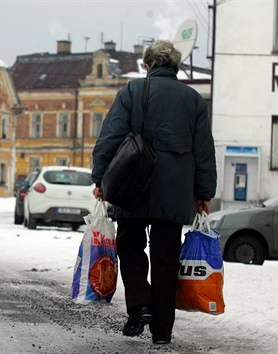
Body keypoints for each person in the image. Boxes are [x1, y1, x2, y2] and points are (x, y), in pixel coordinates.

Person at [91, 40, 217, 345]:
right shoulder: (194, 100)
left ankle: (139, 306)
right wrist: (203, 192)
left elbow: (111, 136)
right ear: (175, 68)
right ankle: (162, 331)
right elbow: (203, 152)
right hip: (174, 192)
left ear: (148, 66)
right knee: (166, 258)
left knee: (130, 246)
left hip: (132, 184)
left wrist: (100, 178)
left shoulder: (132, 92)